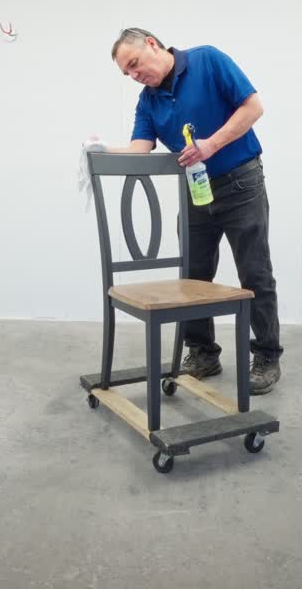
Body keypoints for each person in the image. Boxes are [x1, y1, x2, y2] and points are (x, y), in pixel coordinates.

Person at [106, 27, 283, 394]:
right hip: (197, 191)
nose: (135, 75)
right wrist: (97, 152)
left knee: (254, 271)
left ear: (152, 44)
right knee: (193, 276)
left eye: (135, 64)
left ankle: (266, 356)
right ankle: (203, 353)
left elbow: (253, 108)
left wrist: (210, 145)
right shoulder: (148, 101)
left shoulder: (207, 60)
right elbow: (140, 148)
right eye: (127, 73)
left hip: (241, 183)